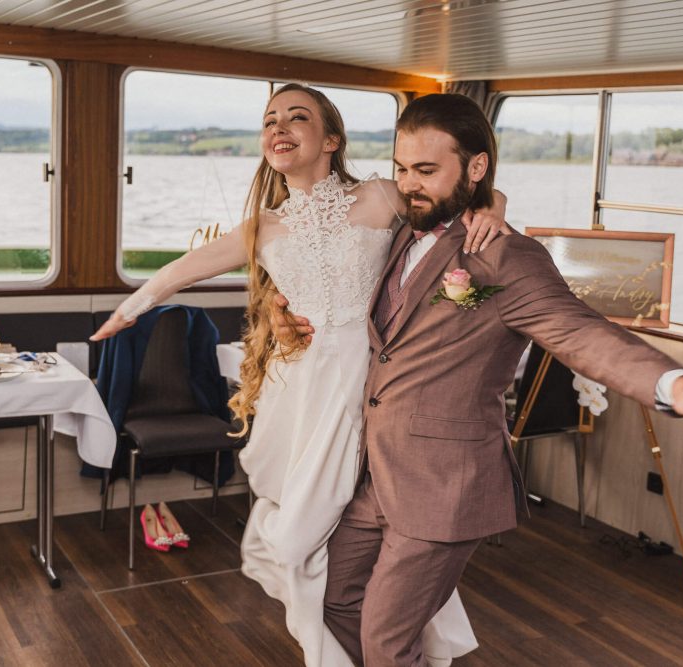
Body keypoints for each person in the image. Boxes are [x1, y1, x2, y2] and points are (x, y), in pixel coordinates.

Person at [272, 93, 683, 666]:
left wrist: (672, 383)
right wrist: (283, 313)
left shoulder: (507, 260)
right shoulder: (401, 235)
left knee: (388, 642)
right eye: (402, 169)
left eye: (427, 171)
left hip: (446, 487)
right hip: (377, 475)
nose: (410, 185)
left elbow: (579, 331)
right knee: (333, 602)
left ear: (477, 167)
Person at [91, 83, 511, 667]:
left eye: (297, 117)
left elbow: (450, 195)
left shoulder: (381, 197)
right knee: (297, 540)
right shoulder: (261, 227)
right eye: (270, 121)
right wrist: (125, 313)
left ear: (332, 140)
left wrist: (496, 206)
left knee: (339, 533)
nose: (279, 128)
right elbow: (179, 272)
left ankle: (379, 643)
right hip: (301, 391)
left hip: (368, 381)